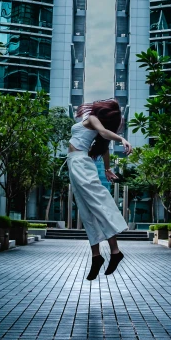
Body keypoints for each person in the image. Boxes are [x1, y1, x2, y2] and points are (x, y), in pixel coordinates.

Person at [67, 98, 133, 280]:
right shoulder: (94, 122)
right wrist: (107, 168)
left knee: (98, 204)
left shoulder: (94, 119)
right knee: (86, 210)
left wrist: (121, 138)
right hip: (74, 164)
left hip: (80, 162)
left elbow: (104, 134)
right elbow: (104, 149)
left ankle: (115, 251)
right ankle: (96, 256)